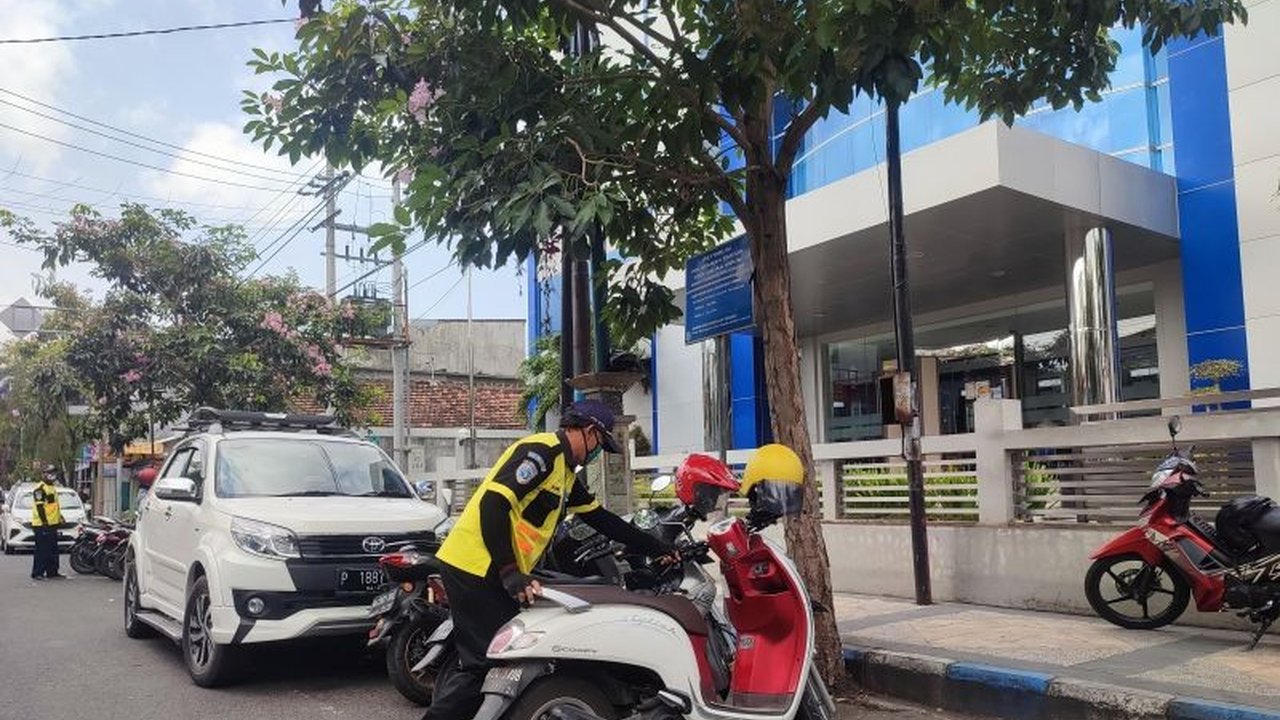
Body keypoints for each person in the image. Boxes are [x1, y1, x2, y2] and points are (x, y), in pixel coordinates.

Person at [425, 399, 676, 720]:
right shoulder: (542, 452)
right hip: (475, 566)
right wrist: (510, 571)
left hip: (491, 570)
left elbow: (602, 519)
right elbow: (493, 505)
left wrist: (655, 546)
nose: (598, 452)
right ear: (588, 432)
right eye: (600, 443)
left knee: (504, 660)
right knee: (488, 664)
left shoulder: (566, 475)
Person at [30, 465, 65, 580]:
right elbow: (40, 507)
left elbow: (53, 506)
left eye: (53, 473)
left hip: (53, 524)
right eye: (49, 473)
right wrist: (44, 522)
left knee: (53, 549)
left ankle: (52, 572)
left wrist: (60, 517)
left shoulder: (52, 488)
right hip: (42, 525)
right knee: (42, 550)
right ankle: (38, 573)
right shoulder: (40, 489)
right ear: (43, 475)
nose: (52, 475)